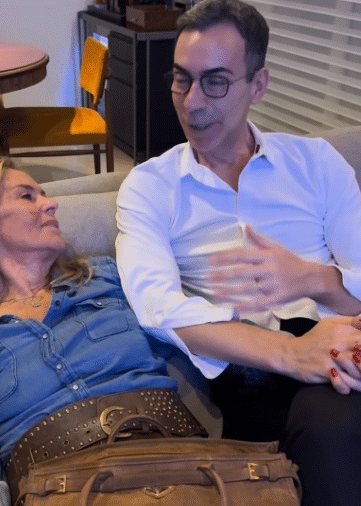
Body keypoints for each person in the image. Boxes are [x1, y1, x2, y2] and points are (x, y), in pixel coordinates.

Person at [114, 0, 361, 503]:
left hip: (343, 343)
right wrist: (292, 353)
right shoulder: (151, 187)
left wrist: (312, 279)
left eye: (216, 82)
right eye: (182, 79)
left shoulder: (316, 162)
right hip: (256, 370)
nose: (192, 102)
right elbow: (157, 307)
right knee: (334, 429)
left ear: (259, 84)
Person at [0, 157, 206, 506]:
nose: (51, 203)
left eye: (43, 194)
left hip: (175, 464)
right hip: (56, 491)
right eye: (28, 196)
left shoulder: (107, 276)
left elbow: (195, 330)